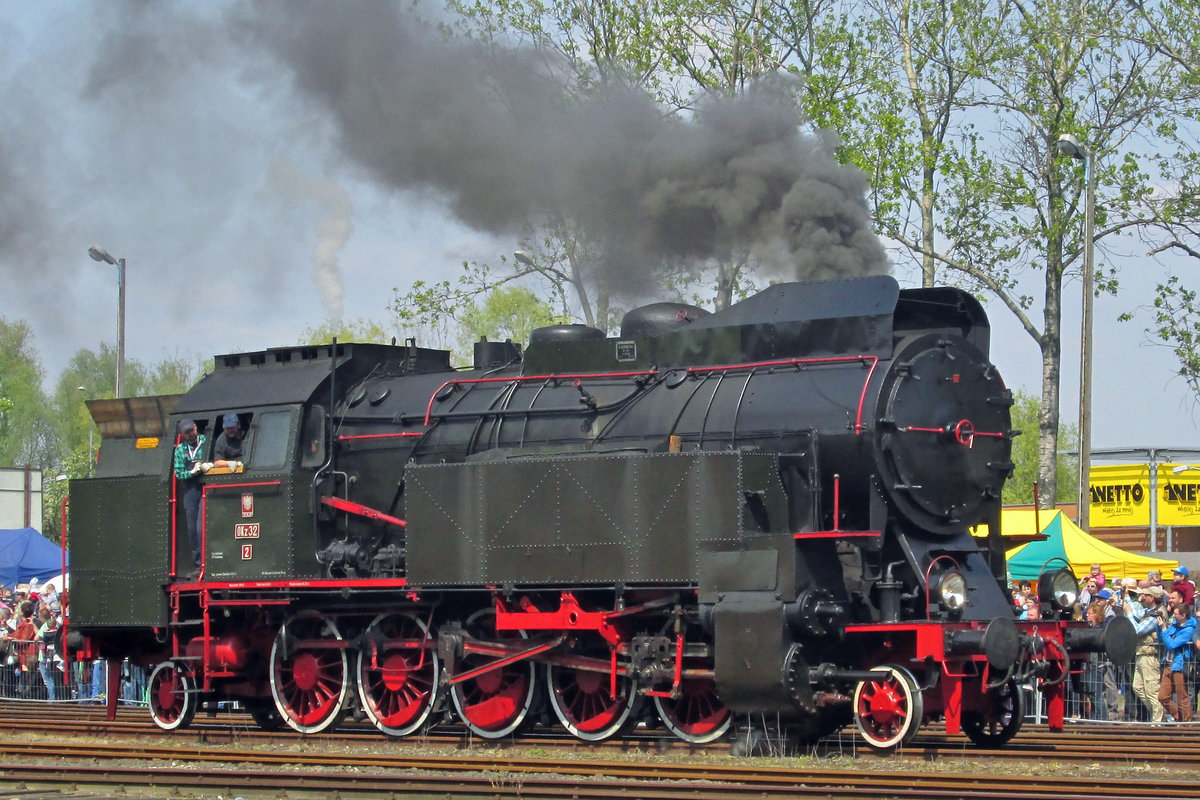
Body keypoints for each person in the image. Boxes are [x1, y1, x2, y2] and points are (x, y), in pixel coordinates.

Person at [173, 419, 212, 571]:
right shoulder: (180, 450)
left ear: (196, 428)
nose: (190, 434)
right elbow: (179, 474)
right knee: (192, 528)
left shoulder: (206, 441)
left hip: (206, 485)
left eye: (192, 430)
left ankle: (209, 561)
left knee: (202, 526)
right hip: (190, 489)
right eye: (187, 432)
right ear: (182, 434)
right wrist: (194, 471)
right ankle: (198, 564)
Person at [1129, 584, 1166, 723]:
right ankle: (1159, 714)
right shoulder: (1148, 611)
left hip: (1150, 655)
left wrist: (1128, 614)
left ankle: (1158, 722)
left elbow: (1138, 630)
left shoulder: (1158, 613)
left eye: (1146, 595)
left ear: (1153, 598)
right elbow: (1136, 614)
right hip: (1141, 653)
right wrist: (1127, 600)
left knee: (1152, 690)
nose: (1143, 597)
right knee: (1137, 687)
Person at [1158, 601, 1195, 722]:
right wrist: (1160, 626)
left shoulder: (1189, 630)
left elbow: (1172, 644)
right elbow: (1162, 639)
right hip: (1168, 664)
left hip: (1179, 665)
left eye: (1175, 614)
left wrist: (1164, 629)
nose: (1173, 616)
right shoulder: (1174, 625)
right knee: (1163, 697)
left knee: (1182, 697)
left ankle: (1187, 724)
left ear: (1183, 615)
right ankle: (1179, 718)